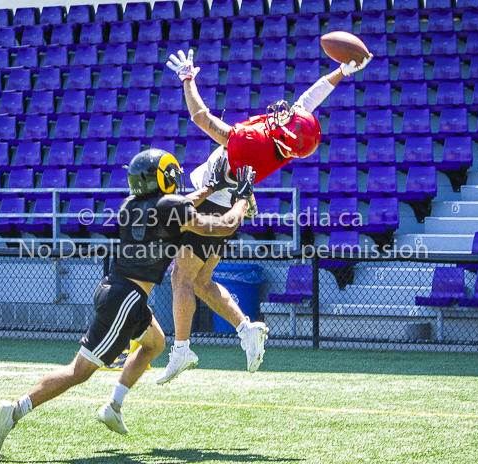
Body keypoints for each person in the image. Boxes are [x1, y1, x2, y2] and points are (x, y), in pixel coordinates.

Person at [0, 149, 256, 460]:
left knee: (155, 343)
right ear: (161, 178)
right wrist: (242, 197)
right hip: (125, 299)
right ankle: (16, 409)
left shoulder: (131, 205)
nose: (174, 179)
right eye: (169, 174)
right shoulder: (168, 206)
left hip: (122, 293)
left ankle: (114, 405)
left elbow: (180, 205)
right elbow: (222, 226)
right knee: (79, 371)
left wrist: (210, 187)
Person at [155, 49, 373, 384]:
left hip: (213, 201)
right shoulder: (286, 141)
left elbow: (200, 117)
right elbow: (309, 100)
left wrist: (188, 78)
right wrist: (341, 71)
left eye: (286, 120)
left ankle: (182, 349)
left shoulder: (255, 142)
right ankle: (246, 328)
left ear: (285, 135)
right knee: (200, 281)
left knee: (181, 279)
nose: (284, 114)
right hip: (227, 201)